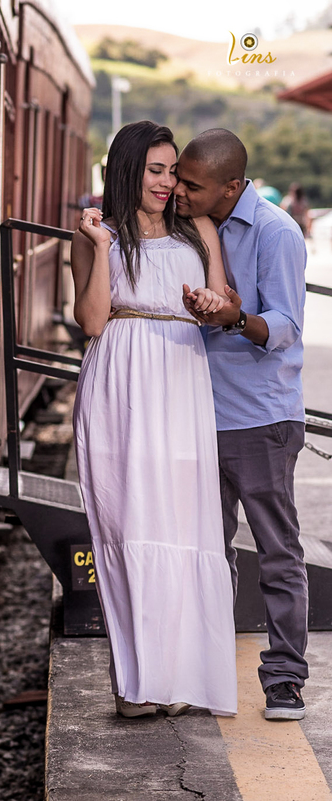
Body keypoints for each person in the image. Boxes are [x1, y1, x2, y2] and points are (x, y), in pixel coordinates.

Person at [72, 120, 238, 718]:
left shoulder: (199, 229)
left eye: (173, 172)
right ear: (127, 170)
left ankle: (180, 678)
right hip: (119, 384)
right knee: (128, 525)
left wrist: (212, 304)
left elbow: (225, 304)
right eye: (157, 171)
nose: (169, 184)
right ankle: (136, 683)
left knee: (185, 526)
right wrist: (100, 249)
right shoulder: (97, 234)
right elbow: (92, 322)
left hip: (181, 383)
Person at [175, 129, 310, 721]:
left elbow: (285, 326)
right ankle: (207, 670)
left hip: (260, 418)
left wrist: (235, 318)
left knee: (277, 554)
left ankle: (284, 680)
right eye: (177, 178)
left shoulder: (277, 232)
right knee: (207, 553)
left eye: (192, 184)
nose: (179, 190)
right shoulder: (186, 224)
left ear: (231, 187)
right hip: (195, 413)